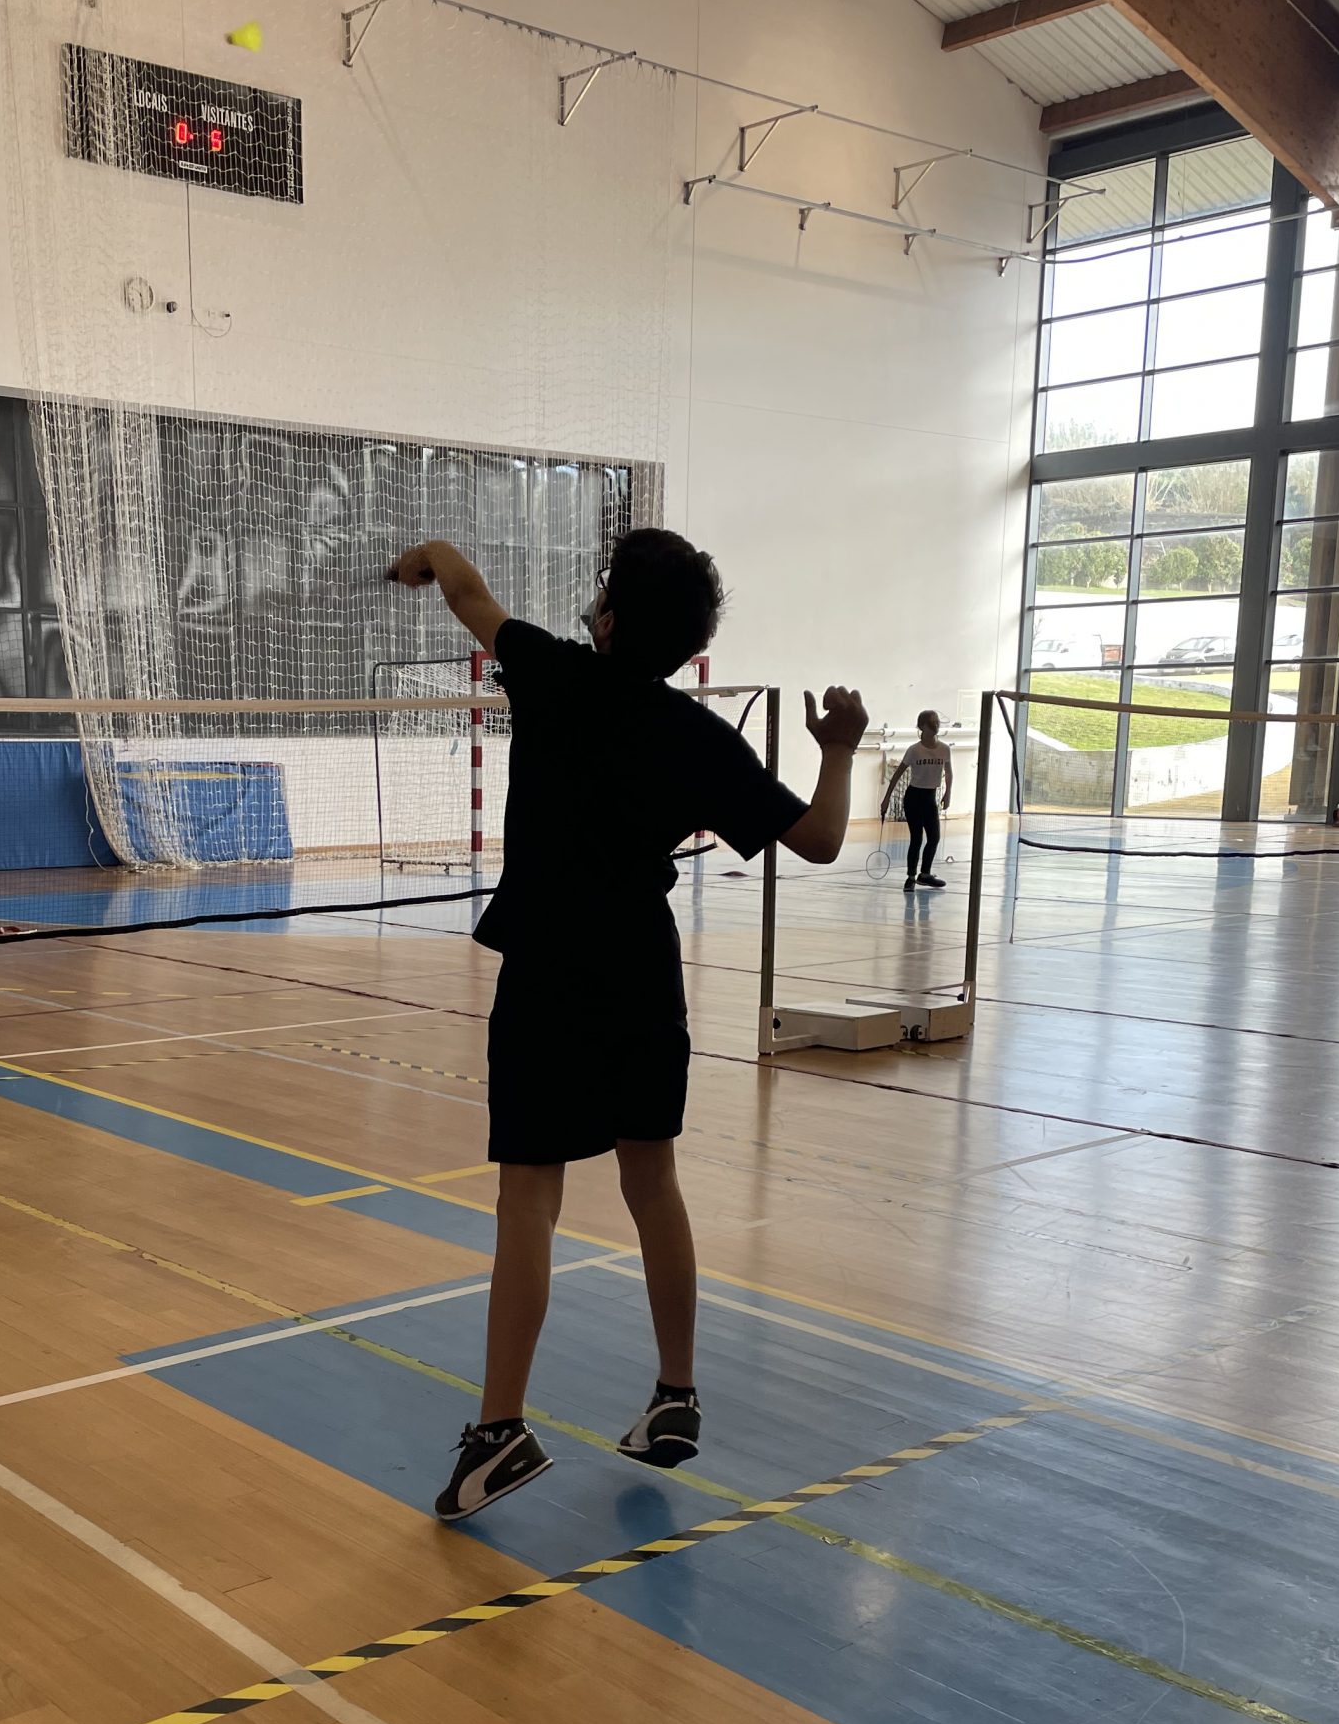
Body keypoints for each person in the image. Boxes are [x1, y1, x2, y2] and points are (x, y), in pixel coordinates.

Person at [386, 528, 867, 1520]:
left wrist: (427, 552)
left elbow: (467, 593)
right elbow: (820, 839)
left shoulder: (550, 671)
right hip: (644, 972)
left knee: (530, 1196)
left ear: (608, 618)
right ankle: (675, 1395)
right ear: (690, 645)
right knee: (653, 1182)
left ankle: (500, 1432)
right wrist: (838, 750)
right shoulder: (697, 736)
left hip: (550, 970)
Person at [881, 708, 953, 891]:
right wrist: (886, 798)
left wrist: (948, 793)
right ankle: (911, 877)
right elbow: (897, 775)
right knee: (917, 838)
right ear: (922, 727)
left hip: (930, 797)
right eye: (932, 723)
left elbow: (949, 773)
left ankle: (925, 874)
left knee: (934, 837)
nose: (936, 725)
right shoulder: (914, 750)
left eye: (937, 722)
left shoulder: (944, 749)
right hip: (914, 797)